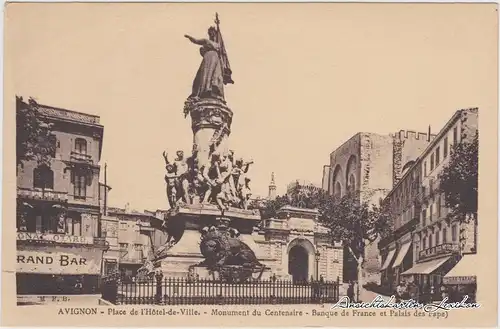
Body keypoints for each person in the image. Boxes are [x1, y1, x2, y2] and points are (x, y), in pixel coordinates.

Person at [185, 27, 225, 100]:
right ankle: (205, 89)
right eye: (211, 32)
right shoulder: (206, 41)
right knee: (206, 74)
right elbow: (196, 41)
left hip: (216, 59)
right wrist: (189, 37)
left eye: (213, 32)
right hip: (208, 57)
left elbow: (223, 55)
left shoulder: (218, 44)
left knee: (216, 75)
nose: (212, 34)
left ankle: (213, 90)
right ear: (209, 34)